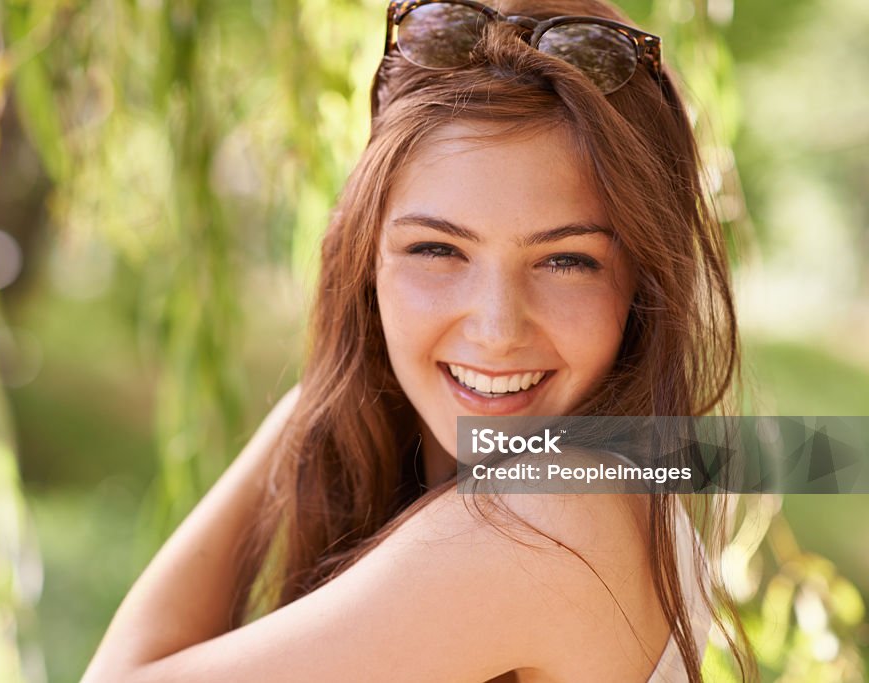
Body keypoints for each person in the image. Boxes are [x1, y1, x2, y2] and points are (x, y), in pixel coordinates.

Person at [83, 1, 754, 681]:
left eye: (566, 260)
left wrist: (323, 389)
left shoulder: (548, 521)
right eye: (437, 248)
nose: (496, 330)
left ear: (641, 283)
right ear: (364, 256)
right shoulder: (606, 494)